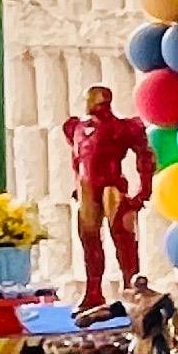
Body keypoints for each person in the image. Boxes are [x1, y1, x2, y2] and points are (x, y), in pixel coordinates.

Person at [59, 83, 154, 307]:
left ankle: (131, 286)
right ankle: (93, 290)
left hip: (112, 185)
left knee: (122, 236)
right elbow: (78, 158)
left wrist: (144, 190)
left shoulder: (122, 127)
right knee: (89, 238)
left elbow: (145, 157)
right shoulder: (76, 127)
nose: (95, 104)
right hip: (86, 186)